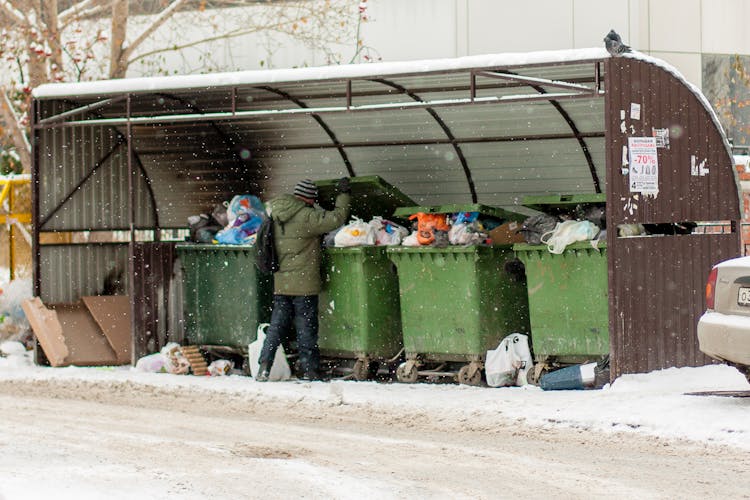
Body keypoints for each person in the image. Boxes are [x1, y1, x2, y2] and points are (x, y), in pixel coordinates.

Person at [256, 177, 351, 381]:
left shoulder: (276, 214)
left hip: (282, 282)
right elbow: (337, 218)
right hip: (304, 284)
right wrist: (343, 195)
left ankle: (264, 366)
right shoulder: (307, 216)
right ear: (308, 199)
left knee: (276, 327)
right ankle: (310, 371)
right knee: (306, 328)